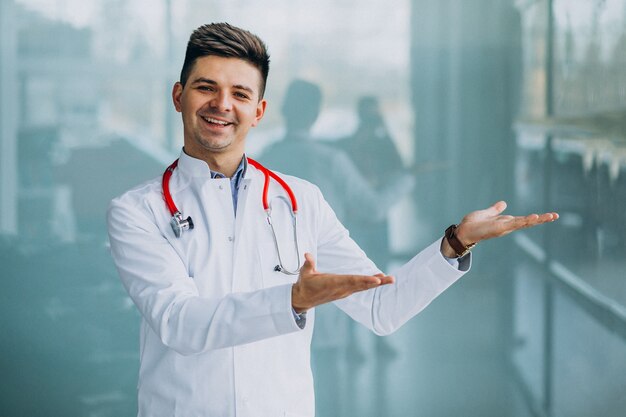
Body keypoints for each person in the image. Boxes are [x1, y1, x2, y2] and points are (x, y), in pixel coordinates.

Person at [107, 22, 558, 417]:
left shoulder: (301, 200)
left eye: (240, 93)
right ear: (179, 95)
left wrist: (455, 244)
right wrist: (293, 300)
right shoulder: (138, 211)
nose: (222, 104)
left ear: (259, 111)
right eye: (206, 87)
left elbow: (383, 309)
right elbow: (179, 322)